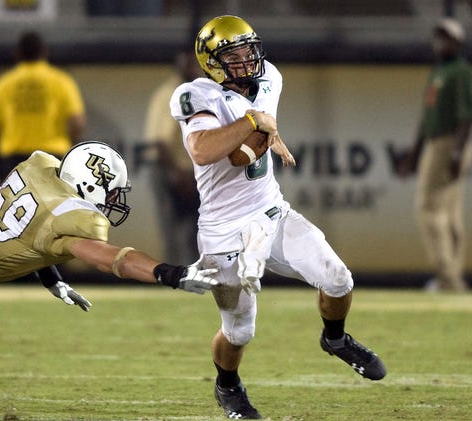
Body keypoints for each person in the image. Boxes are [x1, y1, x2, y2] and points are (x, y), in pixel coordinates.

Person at [169, 15, 386, 419]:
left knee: (338, 278)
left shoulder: (270, 75)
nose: (248, 61)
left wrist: (270, 133)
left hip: (270, 210)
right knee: (239, 331)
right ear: (212, 62)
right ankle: (227, 385)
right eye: (234, 55)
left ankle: (335, 340)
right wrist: (255, 123)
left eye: (249, 50)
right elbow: (203, 150)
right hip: (223, 232)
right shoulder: (194, 95)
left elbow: (259, 128)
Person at [0, 141, 218, 308]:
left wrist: (52, 278)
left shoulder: (41, 167)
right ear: (89, 185)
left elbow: (29, 234)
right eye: (112, 192)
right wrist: (170, 274)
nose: (114, 201)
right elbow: (114, 260)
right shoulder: (75, 219)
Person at [398, 18, 472, 293]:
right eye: (438, 36)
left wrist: (456, 153)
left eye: (447, 37)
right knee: (449, 213)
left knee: (428, 208)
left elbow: (467, 118)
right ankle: (453, 277)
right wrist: (415, 153)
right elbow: (426, 117)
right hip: (438, 142)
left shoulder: (460, 71)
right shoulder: (439, 71)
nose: (440, 42)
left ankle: (447, 277)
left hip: (449, 142)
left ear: (458, 42)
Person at [0, 30, 86, 181]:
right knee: (52, 204)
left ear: (18, 54)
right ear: (44, 52)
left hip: (14, 161)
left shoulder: (4, 83)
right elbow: (78, 123)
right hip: (51, 157)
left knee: (17, 204)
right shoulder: (61, 81)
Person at [143, 50, 202, 263]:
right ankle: (176, 279)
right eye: (189, 64)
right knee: (173, 230)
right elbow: (160, 144)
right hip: (168, 169)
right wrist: (177, 175)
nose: (194, 68)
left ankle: (195, 276)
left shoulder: (197, 92)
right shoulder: (171, 93)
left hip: (189, 170)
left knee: (195, 231)